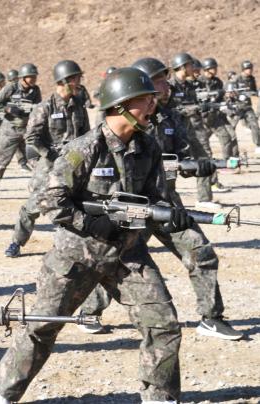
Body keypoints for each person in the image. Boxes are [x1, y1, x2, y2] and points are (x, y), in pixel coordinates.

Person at [0, 68, 183, 404]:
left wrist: (171, 213)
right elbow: (50, 200)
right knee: (41, 328)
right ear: (121, 106)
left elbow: (154, 200)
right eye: (145, 99)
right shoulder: (85, 148)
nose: (154, 104)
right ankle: (2, 394)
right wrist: (89, 223)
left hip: (127, 256)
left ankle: (161, 398)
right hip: (76, 258)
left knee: (163, 325)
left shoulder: (148, 147)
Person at [78, 58, 243, 340]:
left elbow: (182, 152)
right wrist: (175, 165)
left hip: (167, 203)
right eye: (159, 81)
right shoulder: (122, 118)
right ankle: (89, 312)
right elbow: (121, 162)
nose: (166, 86)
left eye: (165, 80)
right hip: (133, 206)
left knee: (200, 251)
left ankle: (211, 317)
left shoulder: (171, 117)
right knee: (111, 260)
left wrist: (196, 166)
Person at [4, 60, 90, 258]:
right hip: (49, 165)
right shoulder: (44, 108)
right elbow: (31, 137)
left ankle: (74, 246)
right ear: (64, 81)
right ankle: (16, 242)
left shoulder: (79, 107)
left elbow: (86, 136)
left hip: (74, 163)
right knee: (33, 207)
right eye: (76, 79)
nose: (79, 83)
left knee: (75, 205)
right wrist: (51, 155)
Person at [168, 52, 227, 210]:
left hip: (193, 129)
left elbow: (194, 105)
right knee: (170, 166)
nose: (193, 68)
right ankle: (165, 201)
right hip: (173, 133)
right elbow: (174, 109)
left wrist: (205, 106)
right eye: (189, 65)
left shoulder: (188, 86)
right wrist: (195, 108)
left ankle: (204, 198)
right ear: (181, 67)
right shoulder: (170, 86)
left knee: (204, 159)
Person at [0, 63, 42, 200]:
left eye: (35, 76)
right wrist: (8, 110)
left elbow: (39, 108)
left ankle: (41, 193)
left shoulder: (36, 90)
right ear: (23, 78)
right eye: (31, 77)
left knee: (38, 162)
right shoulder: (11, 88)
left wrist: (33, 111)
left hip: (27, 131)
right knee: (0, 164)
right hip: (10, 131)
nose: (34, 79)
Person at [200, 58, 240, 162]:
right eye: (213, 68)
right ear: (207, 69)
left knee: (230, 136)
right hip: (203, 117)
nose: (216, 70)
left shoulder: (217, 81)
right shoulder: (199, 82)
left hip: (216, 115)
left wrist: (228, 96)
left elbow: (221, 98)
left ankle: (232, 160)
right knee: (201, 141)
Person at [232, 60, 260, 153]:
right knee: (231, 126)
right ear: (243, 69)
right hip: (237, 107)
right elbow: (229, 92)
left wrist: (256, 93)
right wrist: (237, 95)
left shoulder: (252, 78)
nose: (250, 70)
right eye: (248, 69)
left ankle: (258, 145)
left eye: (251, 68)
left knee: (255, 124)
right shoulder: (236, 79)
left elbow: (254, 91)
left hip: (247, 107)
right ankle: (231, 147)